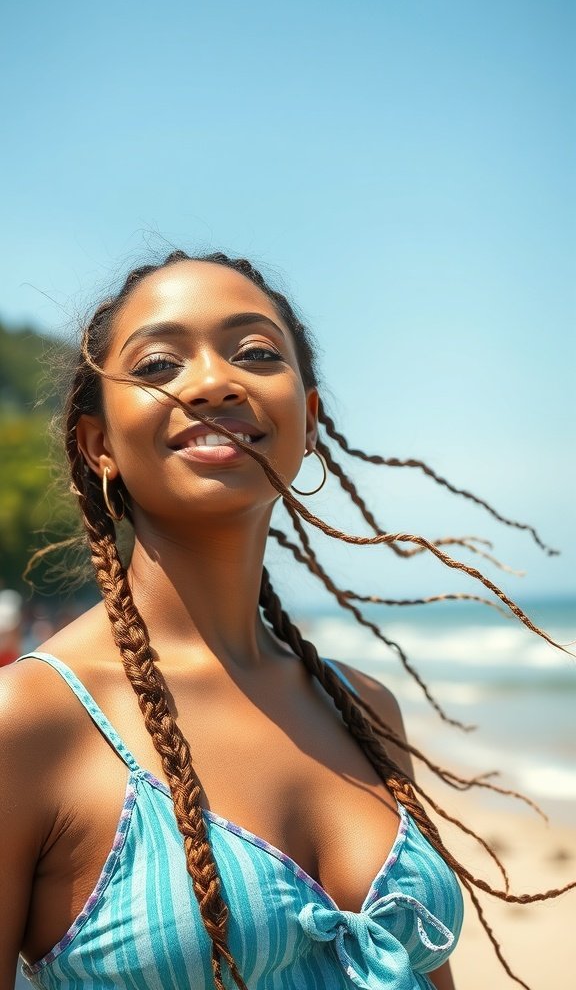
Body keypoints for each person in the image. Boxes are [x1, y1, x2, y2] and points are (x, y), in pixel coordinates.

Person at [0, 251, 572, 990]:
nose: (213, 380)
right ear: (98, 444)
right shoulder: (29, 723)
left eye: (256, 353)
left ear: (307, 423)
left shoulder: (364, 710)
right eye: (158, 365)